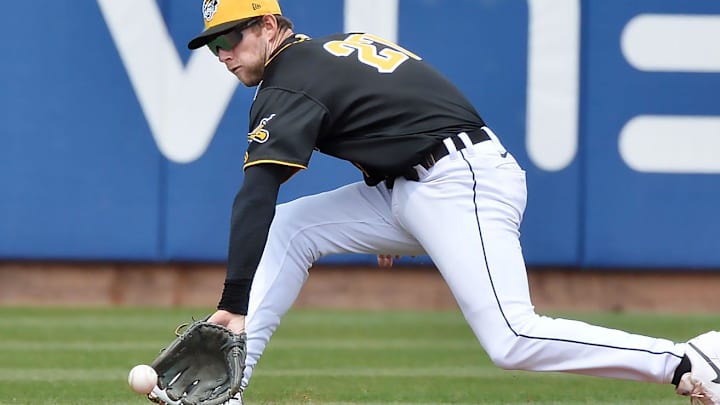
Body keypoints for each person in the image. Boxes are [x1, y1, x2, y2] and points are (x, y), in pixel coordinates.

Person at [184, 0, 720, 404]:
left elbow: (255, 193)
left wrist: (233, 301)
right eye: (214, 44)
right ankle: (227, 388)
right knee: (292, 228)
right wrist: (380, 181)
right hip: (415, 183)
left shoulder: (287, 83)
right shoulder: (327, 52)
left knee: (512, 338)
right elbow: (398, 105)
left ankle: (687, 359)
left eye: (234, 34)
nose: (225, 52)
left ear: (271, 25)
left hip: (459, 183)